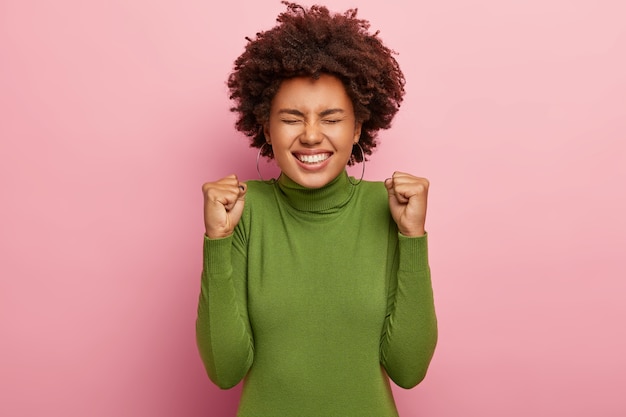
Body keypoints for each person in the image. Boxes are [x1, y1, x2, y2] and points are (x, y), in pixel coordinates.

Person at [196, 2, 437, 416]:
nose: (311, 136)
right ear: (266, 128)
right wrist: (216, 241)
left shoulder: (392, 207)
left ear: (358, 127)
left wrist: (412, 238)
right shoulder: (242, 211)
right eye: (291, 118)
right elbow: (225, 370)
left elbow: (409, 368)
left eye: (331, 118)